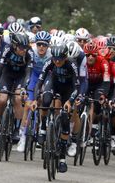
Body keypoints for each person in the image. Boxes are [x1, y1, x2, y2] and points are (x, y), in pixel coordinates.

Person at [32, 45, 83, 173]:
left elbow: (77, 87)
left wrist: (70, 101)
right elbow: (40, 82)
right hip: (53, 84)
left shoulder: (72, 65)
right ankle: (43, 128)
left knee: (65, 118)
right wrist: (35, 98)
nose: (57, 61)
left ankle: (62, 159)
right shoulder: (50, 62)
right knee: (46, 101)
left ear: (66, 57)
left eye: (60, 59)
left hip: (68, 90)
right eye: (55, 59)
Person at [0, 33, 32, 149]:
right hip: (7, 75)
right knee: (1, 100)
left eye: (26, 47)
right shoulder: (7, 49)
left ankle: (17, 129)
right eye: (21, 47)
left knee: (18, 98)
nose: (24, 50)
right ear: (14, 46)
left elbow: (28, 73)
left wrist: (24, 87)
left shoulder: (29, 53)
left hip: (20, 77)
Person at [17, 30, 51, 151]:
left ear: (48, 45)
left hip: (47, 77)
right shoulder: (31, 51)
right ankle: (23, 136)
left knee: (43, 100)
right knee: (28, 105)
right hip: (34, 76)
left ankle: (42, 126)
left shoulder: (51, 55)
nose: (41, 47)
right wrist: (25, 86)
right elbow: (27, 70)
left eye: (44, 45)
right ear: (36, 44)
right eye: (39, 44)